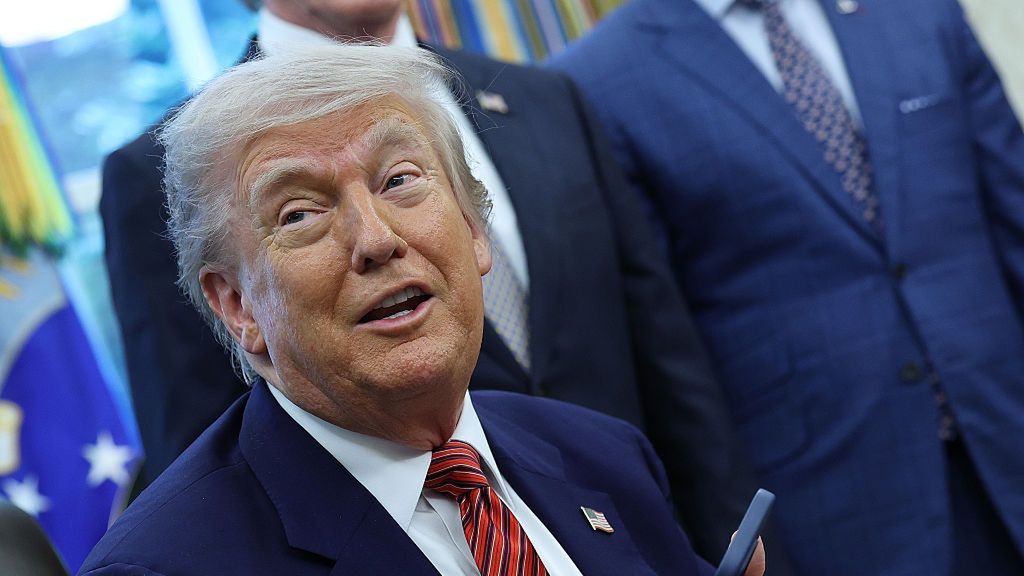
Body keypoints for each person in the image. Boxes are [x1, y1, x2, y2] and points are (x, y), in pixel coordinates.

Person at [100, 0, 761, 562]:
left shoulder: (612, 455)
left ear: (477, 230)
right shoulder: (173, 561)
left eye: (400, 180)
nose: (378, 238)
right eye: (301, 214)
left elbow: (666, 358)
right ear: (234, 304)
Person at [549, 0, 1024, 574]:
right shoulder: (597, 81)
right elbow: (663, 354)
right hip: (837, 510)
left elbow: (1013, 216)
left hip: (1005, 441)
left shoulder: (918, 11)